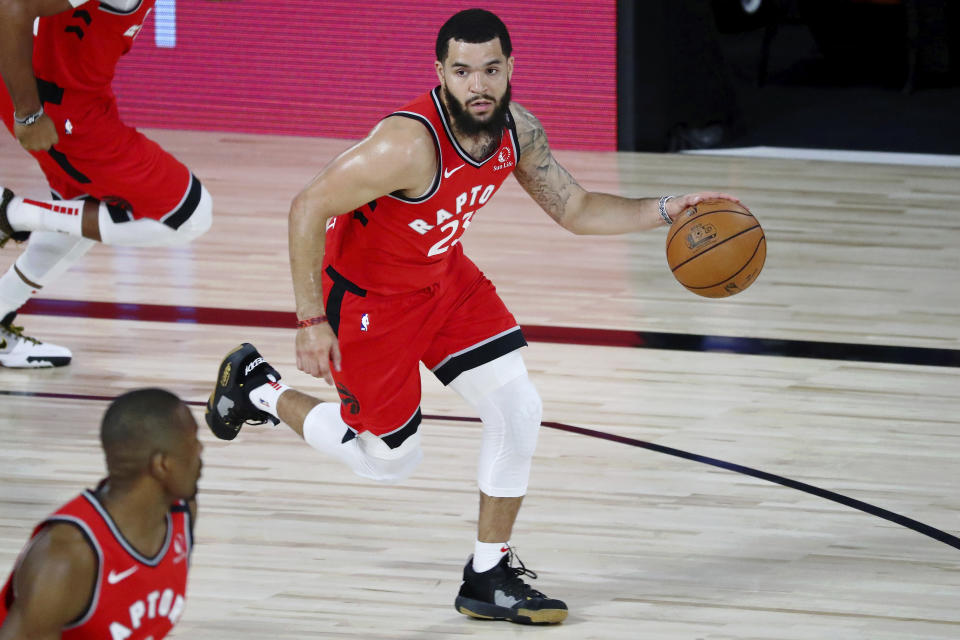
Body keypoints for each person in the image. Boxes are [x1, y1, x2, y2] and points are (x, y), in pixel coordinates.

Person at [206, 8, 741, 626]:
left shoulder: (519, 131)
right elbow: (307, 206)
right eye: (463, 71)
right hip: (368, 302)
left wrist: (670, 208)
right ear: (441, 73)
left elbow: (577, 208)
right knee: (389, 460)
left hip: (442, 279)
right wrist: (308, 320)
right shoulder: (406, 144)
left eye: (490, 69)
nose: (478, 84)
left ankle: (488, 574)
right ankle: (258, 387)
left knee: (519, 407)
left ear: (510, 67)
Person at [0, 0, 213, 368]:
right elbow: (13, 8)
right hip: (61, 113)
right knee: (189, 214)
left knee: (79, 217)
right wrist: (29, 113)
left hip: (55, 93)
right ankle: (13, 212)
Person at [0, 388, 202, 639]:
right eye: (194, 445)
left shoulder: (180, 515)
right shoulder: (66, 557)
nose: (200, 455)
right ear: (162, 465)